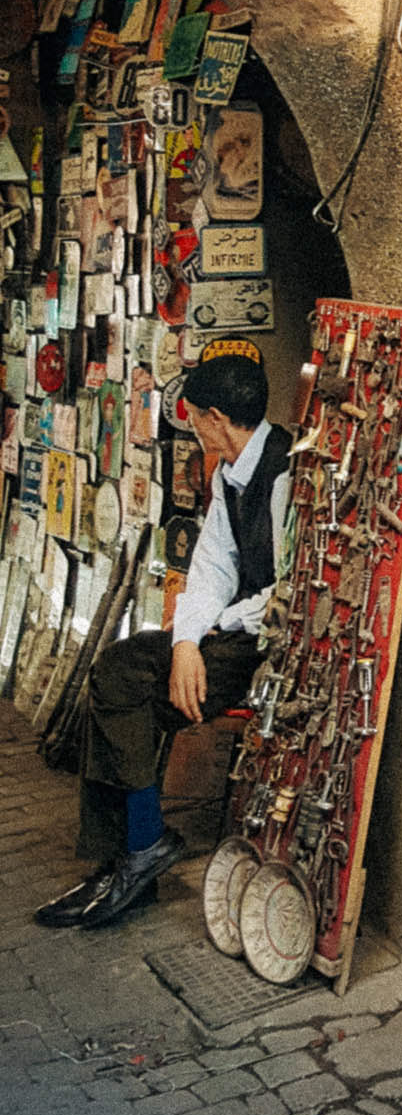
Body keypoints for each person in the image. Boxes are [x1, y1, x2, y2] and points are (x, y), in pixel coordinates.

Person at [33, 354, 290, 931]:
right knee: (118, 672)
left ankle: (139, 849)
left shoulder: (286, 472)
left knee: (125, 692)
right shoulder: (229, 470)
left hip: (269, 640)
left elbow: (288, 588)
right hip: (224, 631)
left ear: (217, 417)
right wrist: (185, 643)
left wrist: (214, 630)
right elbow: (211, 566)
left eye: (196, 418)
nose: (194, 429)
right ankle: (133, 853)